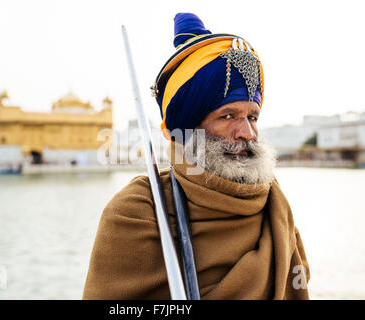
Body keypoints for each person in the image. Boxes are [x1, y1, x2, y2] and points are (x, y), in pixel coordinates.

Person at [83, 13, 310, 300]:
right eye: (229, 116)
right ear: (188, 130)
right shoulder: (139, 210)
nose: (247, 132)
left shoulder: (275, 208)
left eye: (252, 116)